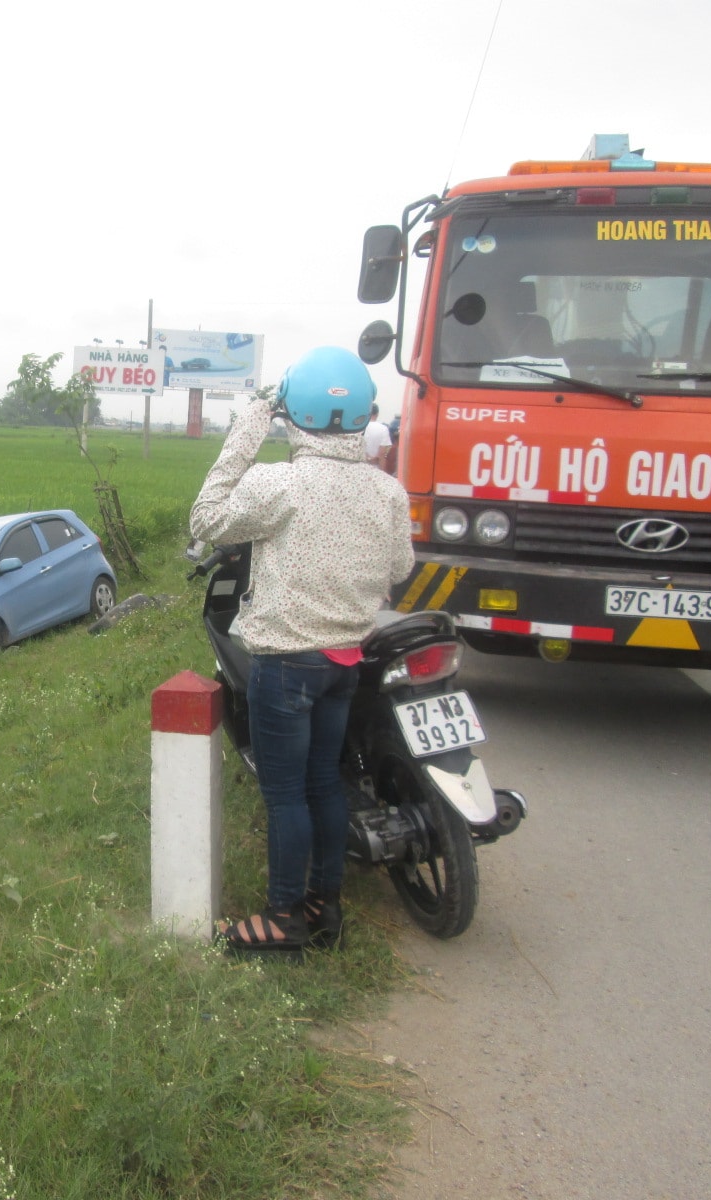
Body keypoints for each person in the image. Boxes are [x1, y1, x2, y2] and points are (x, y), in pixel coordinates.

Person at [190, 347, 415, 956]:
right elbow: (400, 567)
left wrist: (245, 432)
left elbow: (206, 521)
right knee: (323, 784)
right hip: (345, 661)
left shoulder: (279, 482)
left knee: (285, 795)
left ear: (295, 416)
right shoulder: (387, 492)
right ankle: (326, 906)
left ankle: (283, 917)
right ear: (364, 414)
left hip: (287, 664)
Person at [362, 403, 392, 469]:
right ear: (377, 414)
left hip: (361, 466)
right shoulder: (383, 429)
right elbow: (382, 453)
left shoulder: (360, 428)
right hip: (376, 467)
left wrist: (367, 458)